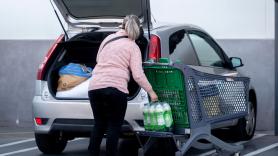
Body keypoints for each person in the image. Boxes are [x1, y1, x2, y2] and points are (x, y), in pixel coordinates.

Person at [88, 15, 158, 156]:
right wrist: (151, 92)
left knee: (99, 124)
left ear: (121, 26)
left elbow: (98, 59)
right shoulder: (133, 47)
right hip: (115, 89)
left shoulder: (107, 39)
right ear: (138, 30)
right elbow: (137, 75)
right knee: (114, 125)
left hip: (95, 87)